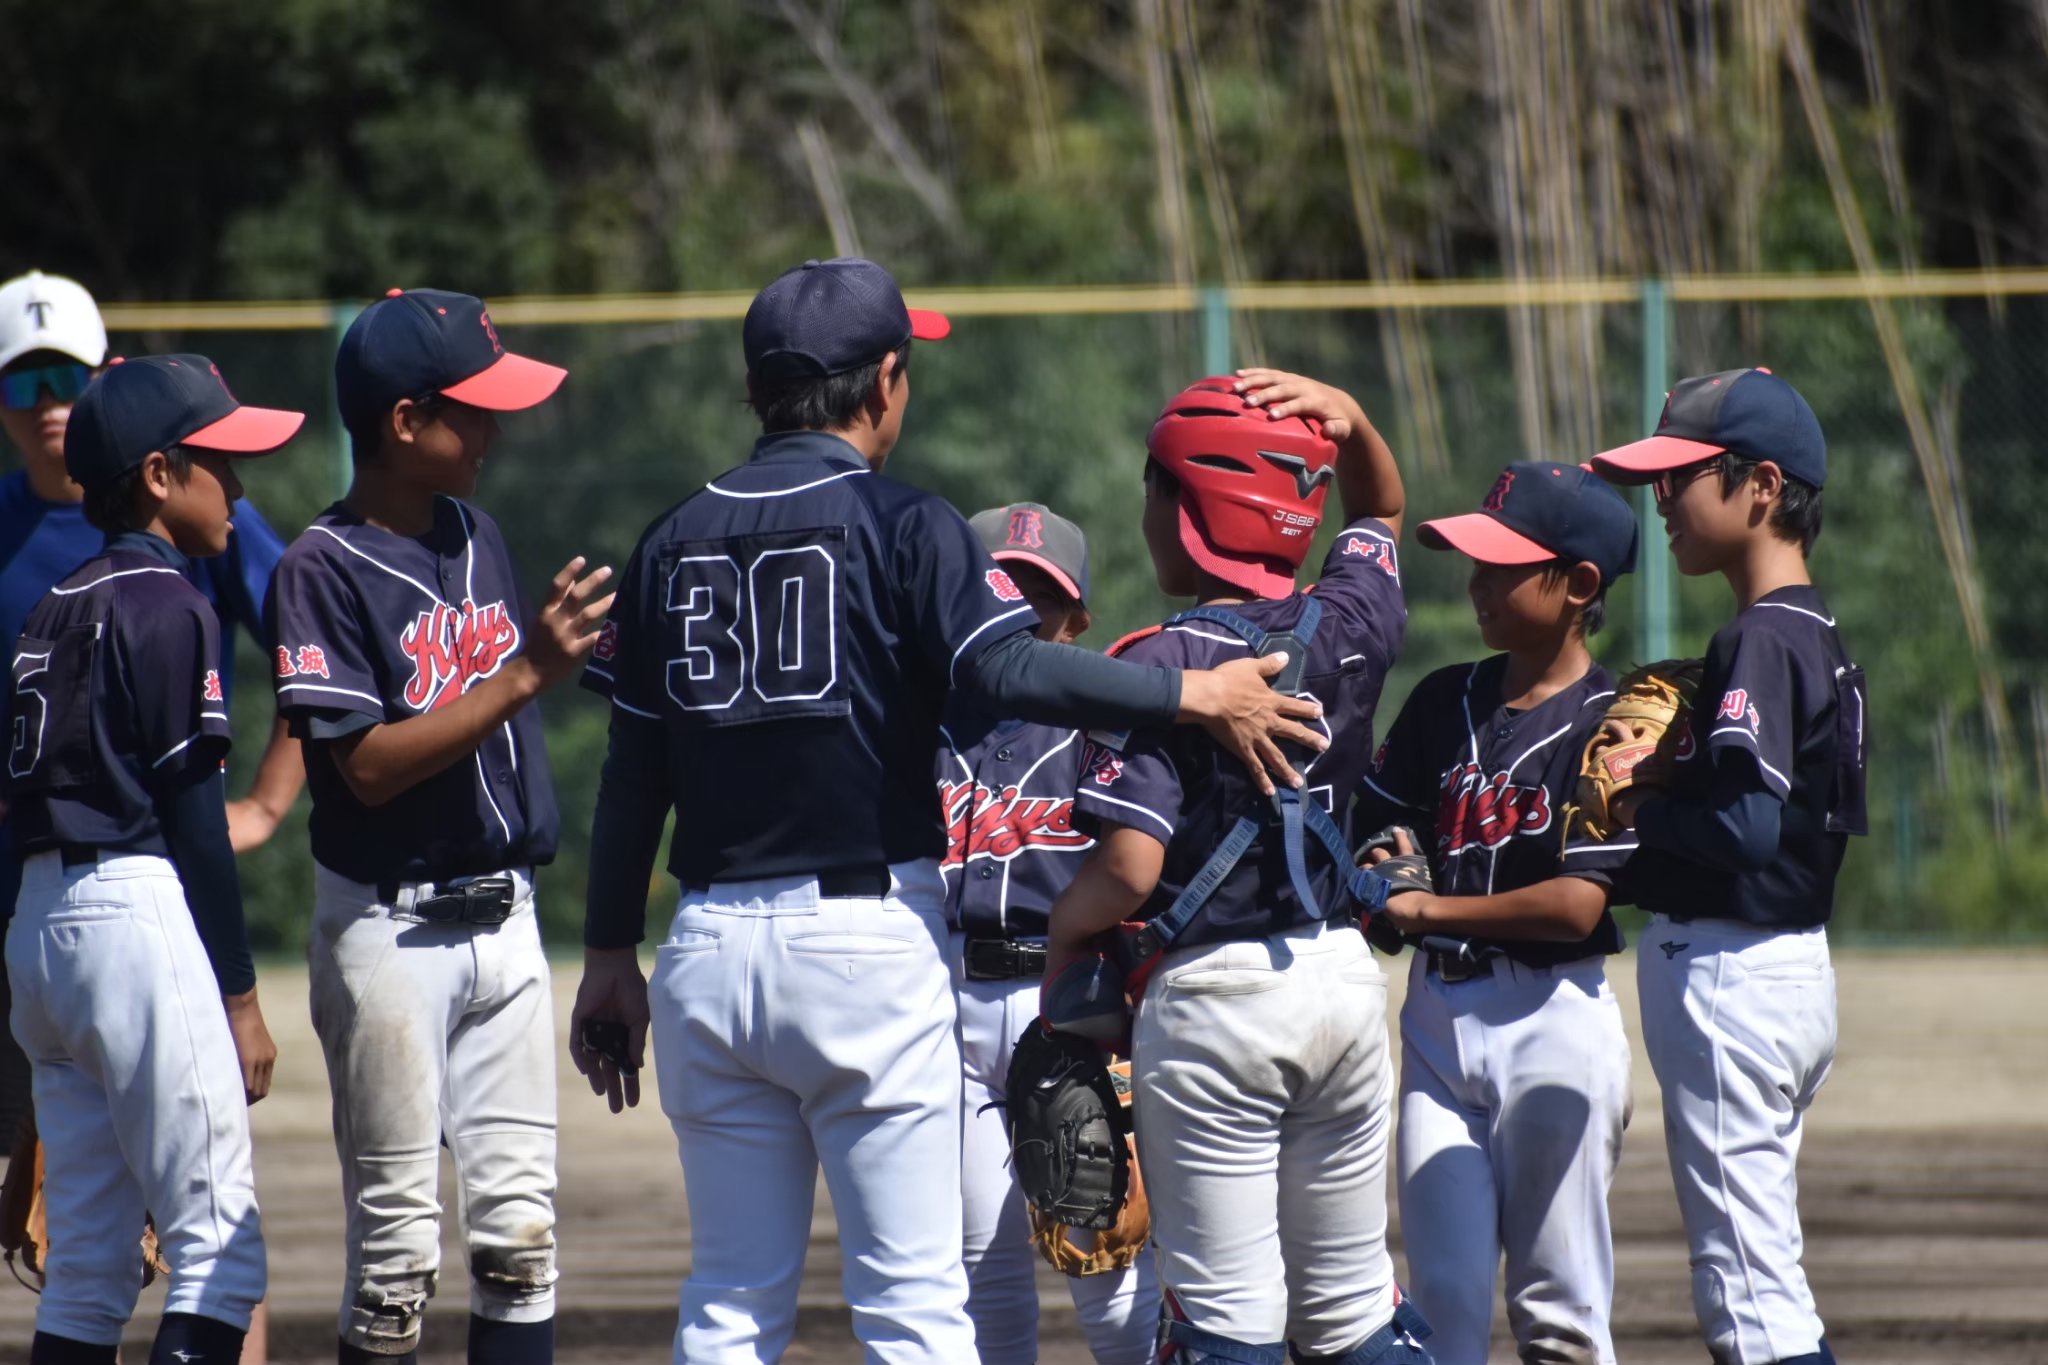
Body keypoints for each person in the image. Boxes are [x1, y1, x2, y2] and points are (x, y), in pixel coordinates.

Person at [569, 257, 1324, 1365]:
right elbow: (1008, 670)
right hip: (862, 950)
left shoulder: (668, 539)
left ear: (756, 388)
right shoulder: (905, 523)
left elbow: (632, 773)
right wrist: (1190, 694)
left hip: (706, 952)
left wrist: (606, 953)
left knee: (728, 1303)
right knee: (914, 1303)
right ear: (885, 382)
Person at [1047, 369, 1424, 1365]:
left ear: (1191, 508)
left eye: (1155, 487)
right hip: (1340, 982)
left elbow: (1129, 869)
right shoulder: (1351, 620)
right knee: (1352, 1310)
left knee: (1226, 1320)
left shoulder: (1158, 663)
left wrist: (1064, 933)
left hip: (1212, 1003)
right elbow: (1380, 511)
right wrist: (1350, 421)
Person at [265, 288, 609, 1365]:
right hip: (390, 931)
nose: (495, 428)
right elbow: (364, 768)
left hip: (507, 922)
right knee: (396, 1268)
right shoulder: (319, 567)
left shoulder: (477, 532)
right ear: (406, 421)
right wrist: (523, 676)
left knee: (520, 1244)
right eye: (475, 409)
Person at [4, 353, 298, 1364]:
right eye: (222, 462)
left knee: (87, 1271)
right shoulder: (171, 604)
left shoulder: (52, 605)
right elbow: (196, 824)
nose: (240, 487)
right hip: (132, 912)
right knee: (221, 1251)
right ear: (161, 476)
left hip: (38, 927)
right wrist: (241, 996)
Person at [1591, 368, 1867, 1365]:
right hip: (1786, 970)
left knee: (1750, 1302)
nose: (1660, 499)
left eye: (1681, 477)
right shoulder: (1815, 631)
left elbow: (1746, 830)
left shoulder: (1756, 637)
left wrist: (1644, 809)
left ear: (1761, 486)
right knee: (1761, 1278)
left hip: (1731, 980)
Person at [1352, 461, 1641, 1365]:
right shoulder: (1445, 698)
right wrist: (1376, 875)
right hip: (1437, 1017)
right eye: (1475, 559)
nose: (1476, 581)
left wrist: (1425, 905)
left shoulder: (1617, 723)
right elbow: (1369, 832)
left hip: (1552, 1019)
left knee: (1559, 1316)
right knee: (1441, 1309)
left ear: (1580, 584)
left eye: (1504, 565)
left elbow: (1575, 904)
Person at [938, 501, 1158, 1365]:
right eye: (996, 587)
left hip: (1071, 1003)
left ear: (1077, 619)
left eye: (1040, 595)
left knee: (1106, 1260)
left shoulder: (1108, 729)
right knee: (979, 1268)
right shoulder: (918, 724)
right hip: (943, 1000)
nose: (1017, 612)